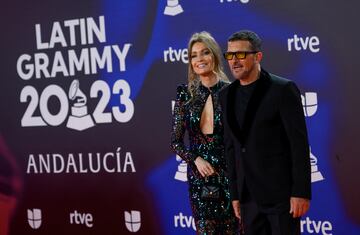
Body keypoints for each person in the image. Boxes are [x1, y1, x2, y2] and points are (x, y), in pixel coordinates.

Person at [219, 30, 311, 235]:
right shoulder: (225, 95)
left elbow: (299, 145)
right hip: (247, 198)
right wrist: (235, 194)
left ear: (258, 56)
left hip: (281, 197)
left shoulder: (282, 89)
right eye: (230, 55)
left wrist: (301, 192)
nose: (234, 61)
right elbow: (231, 147)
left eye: (241, 54)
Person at [171, 31, 238, 234]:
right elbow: (175, 142)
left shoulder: (232, 92)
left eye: (205, 52)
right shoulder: (185, 95)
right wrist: (196, 159)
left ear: (215, 55)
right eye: (194, 55)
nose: (199, 59)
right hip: (200, 183)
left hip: (230, 179)